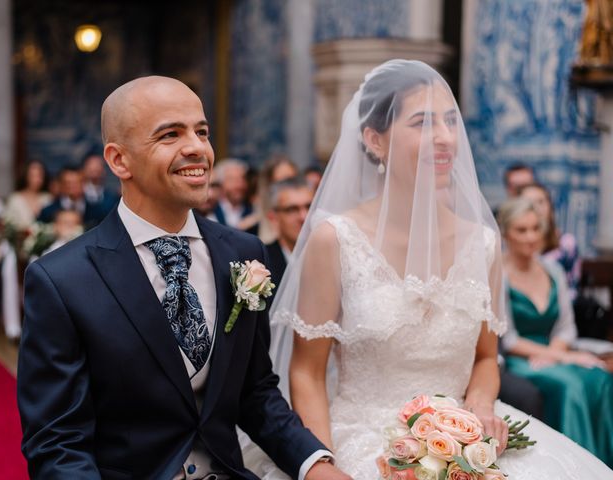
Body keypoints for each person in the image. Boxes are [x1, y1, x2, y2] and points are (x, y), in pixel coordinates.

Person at [252, 60, 613, 478]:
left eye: (449, 121)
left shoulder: (484, 244)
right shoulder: (335, 240)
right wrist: (323, 464)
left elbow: (485, 357)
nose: (444, 138)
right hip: (362, 439)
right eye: (423, 123)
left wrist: (478, 409)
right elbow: (307, 372)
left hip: (466, 437)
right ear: (375, 140)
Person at [17, 76, 350, 480]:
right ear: (119, 160)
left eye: (202, 131)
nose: (197, 147)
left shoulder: (242, 253)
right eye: (170, 134)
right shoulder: (61, 280)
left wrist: (315, 464)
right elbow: (57, 444)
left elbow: (256, 393)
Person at [498, 196, 613, 466]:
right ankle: (575, 468)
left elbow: (566, 327)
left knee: (599, 378)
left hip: (552, 352)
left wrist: (556, 354)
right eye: (521, 230)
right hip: (520, 359)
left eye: (536, 229)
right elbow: (509, 337)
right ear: (506, 234)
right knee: (570, 385)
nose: (530, 237)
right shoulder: (499, 273)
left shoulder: (553, 271)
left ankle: (604, 464)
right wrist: (562, 358)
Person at [518, 182, 581, 298]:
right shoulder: (512, 243)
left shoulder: (567, 244)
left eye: (540, 201)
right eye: (529, 203)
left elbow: (572, 289)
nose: (536, 208)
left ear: (550, 206)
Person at [265, 177, 313, 289]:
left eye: (309, 207)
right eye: (292, 209)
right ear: (273, 217)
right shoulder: (262, 261)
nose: (303, 217)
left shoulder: (333, 258)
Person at [37, 166, 105, 229]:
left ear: (84, 183)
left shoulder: (97, 212)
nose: (72, 187)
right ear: (61, 185)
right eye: (68, 183)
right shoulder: (48, 212)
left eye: (76, 183)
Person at [3, 160, 51, 229]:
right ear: (25, 176)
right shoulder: (15, 199)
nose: (36, 180)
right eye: (32, 175)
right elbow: (7, 224)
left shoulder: (48, 198)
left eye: (40, 176)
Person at [212, 158, 254, 230]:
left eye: (242, 179)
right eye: (233, 180)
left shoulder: (253, 211)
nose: (239, 185)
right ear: (221, 183)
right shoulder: (211, 211)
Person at [82, 152, 120, 219]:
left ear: (104, 170)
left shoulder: (112, 196)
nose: (94, 168)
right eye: (91, 165)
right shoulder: (78, 193)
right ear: (84, 169)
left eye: (98, 165)